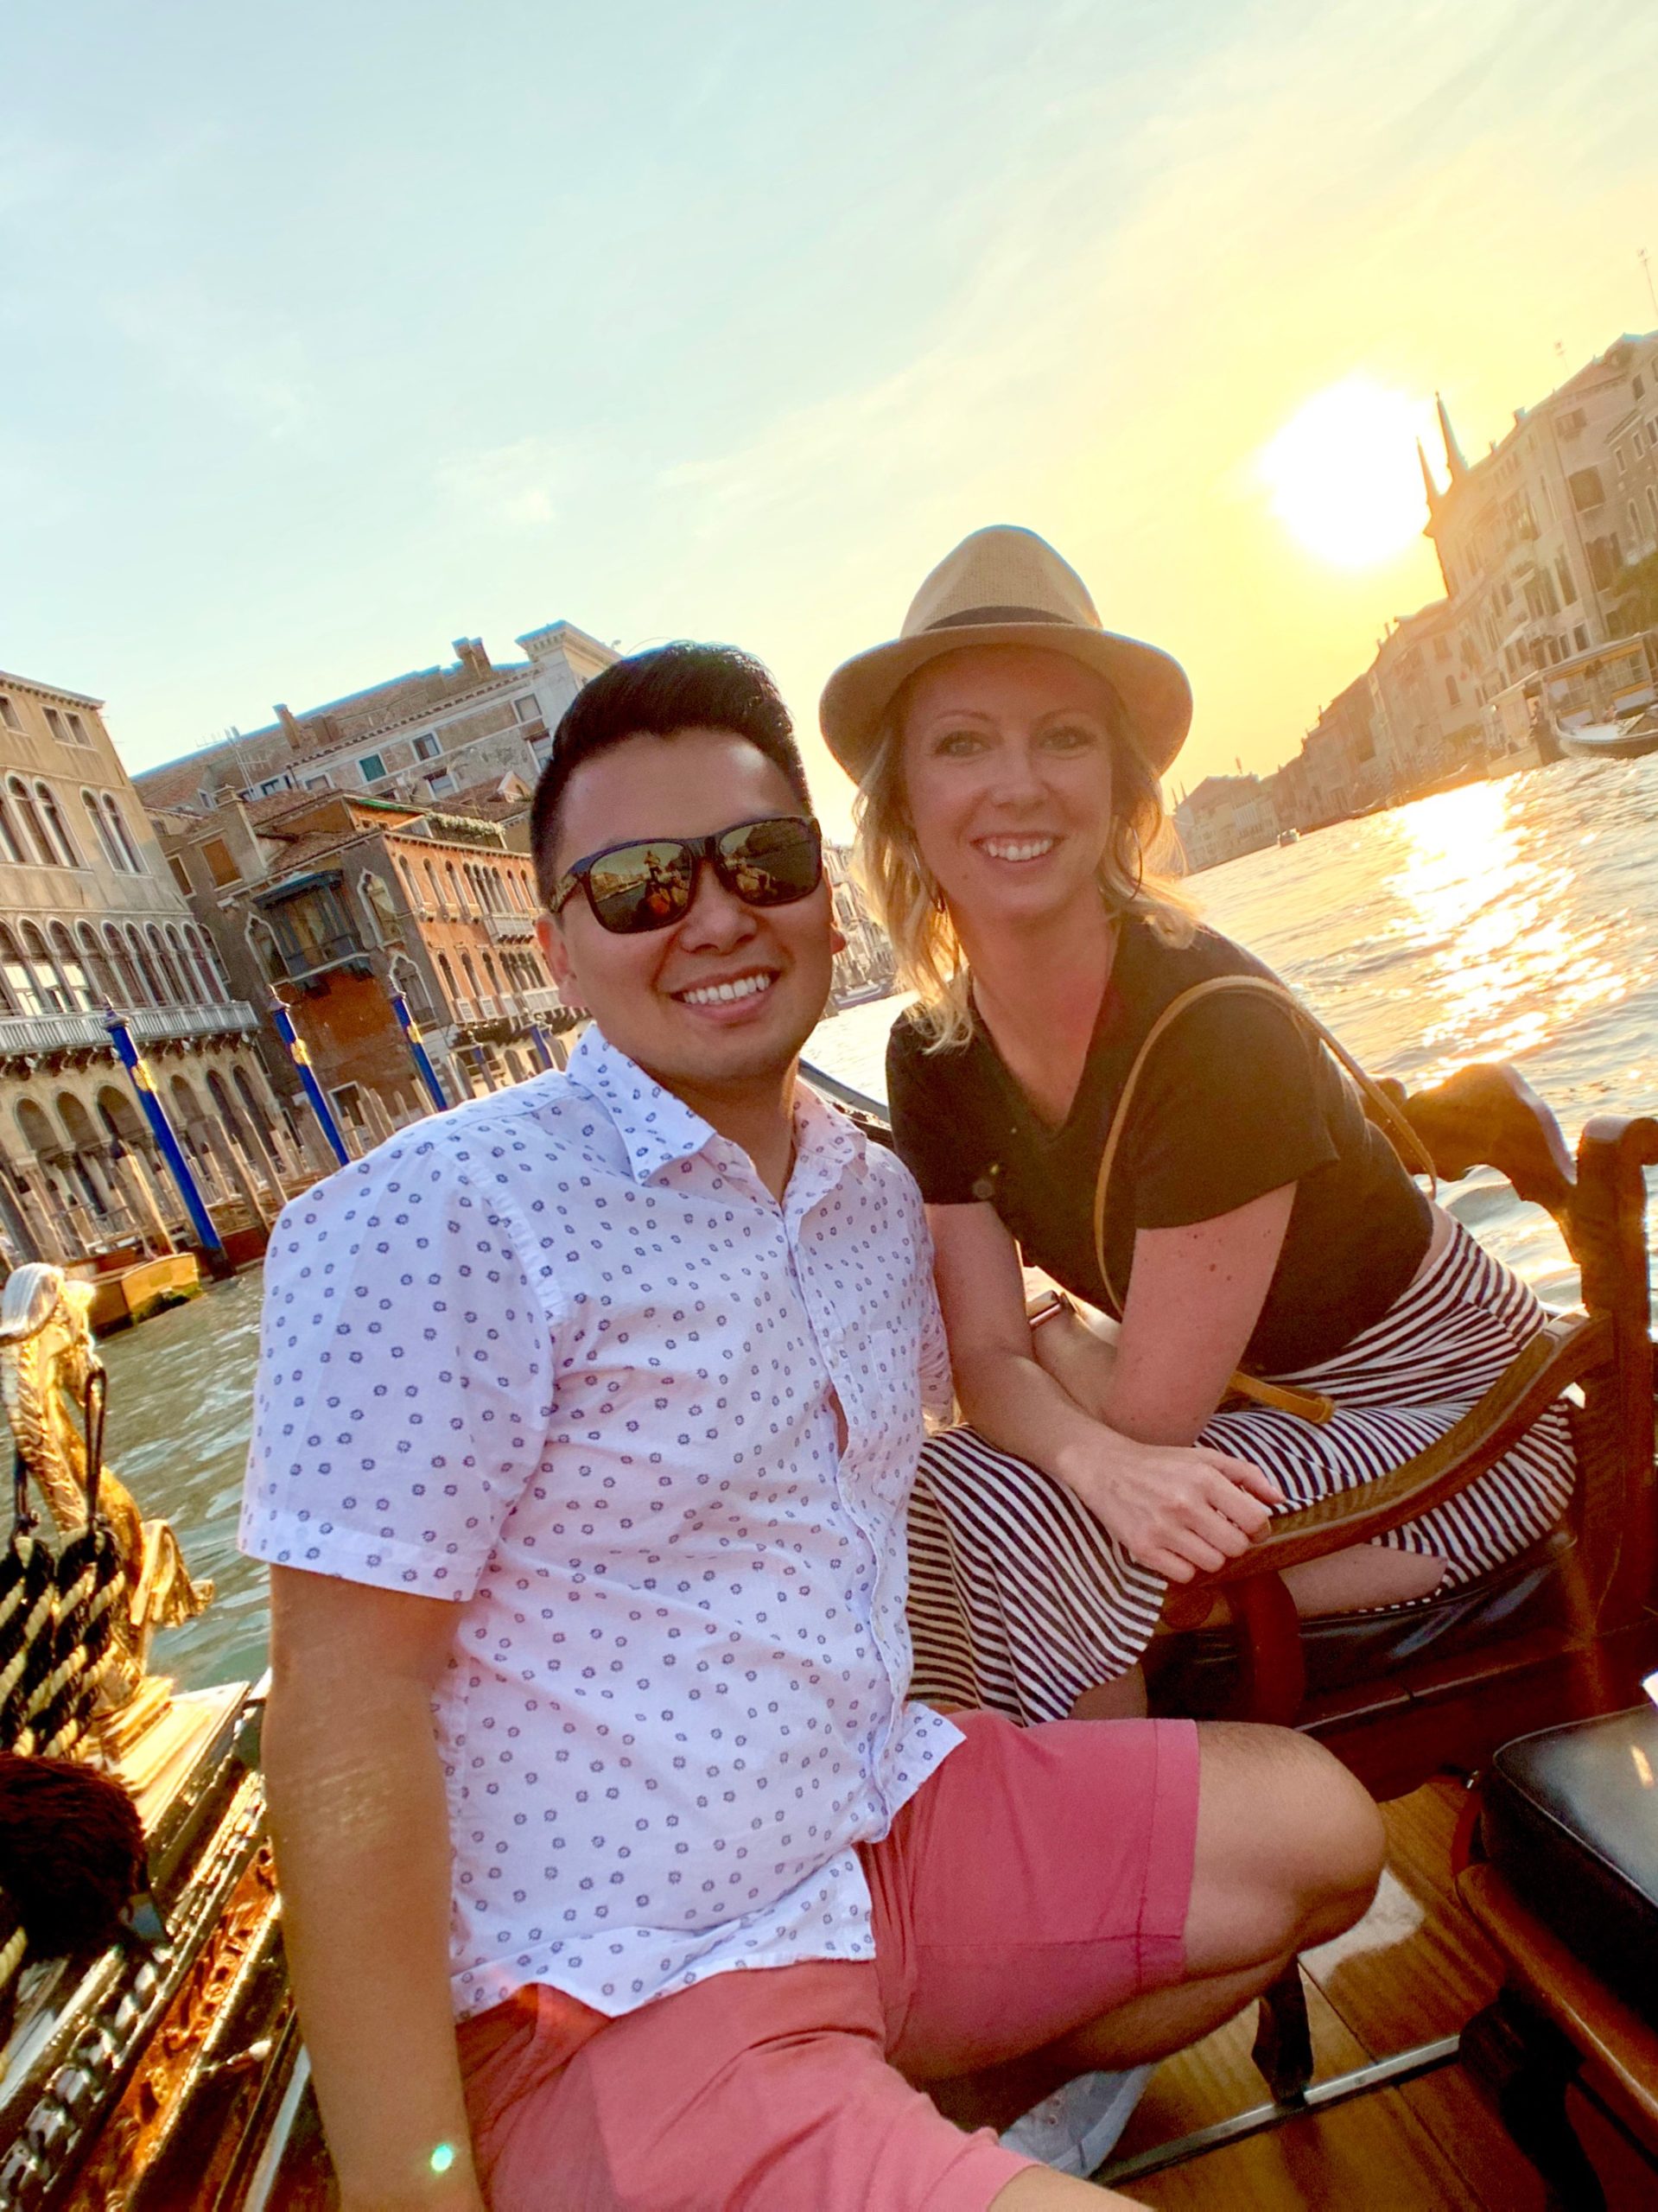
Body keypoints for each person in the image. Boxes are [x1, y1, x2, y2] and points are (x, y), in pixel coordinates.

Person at [244, 641, 1383, 2212]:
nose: (713, 915)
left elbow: (996, 1343)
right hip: (633, 1980)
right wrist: (413, 2187)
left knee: (1324, 1838)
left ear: (827, 900)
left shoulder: (857, 1188)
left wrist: (1124, 1399)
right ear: (553, 944)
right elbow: (343, 1710)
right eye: (639, 884)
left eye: (759, 863)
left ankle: (949, 2110)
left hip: (877, 1827)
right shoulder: (437, 1220)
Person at [822, 525, 1578, 1726]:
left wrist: (1063, 1354)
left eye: (1061, 738)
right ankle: (1090, 1853)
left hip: (1462, 1428)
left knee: (1007, 1522)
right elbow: (984, 1359)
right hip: (1258, 1415)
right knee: (937, 1497)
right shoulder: (935, 1053)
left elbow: (1141, 1423)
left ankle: (1142, 1873)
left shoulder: (1213, 1028)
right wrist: (1071, 1409)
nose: (1017, 784)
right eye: (963, 744)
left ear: (1121, 786)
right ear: (905, 803)